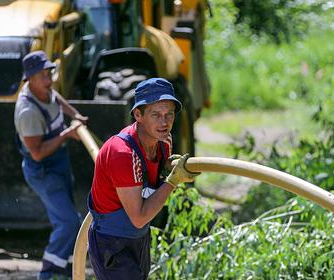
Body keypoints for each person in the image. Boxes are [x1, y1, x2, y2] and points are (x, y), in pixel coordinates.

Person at [88, 78, 199, 279]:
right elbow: (139, 217)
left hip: (139, 238)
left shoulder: (163, 143)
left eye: (169, 114)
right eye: (156, 115)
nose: (164, 123)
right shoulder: (122, 153)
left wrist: (166, 169)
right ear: (138, 114)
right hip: (112, 242)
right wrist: (173, 181)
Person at [14, 50, 88, 279]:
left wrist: (76, 114)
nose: (49, 80)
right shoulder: (28, 112)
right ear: (30, 79)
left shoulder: (45, 89)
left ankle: (65, 271)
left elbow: (57, 98)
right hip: (43, 170)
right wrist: (67, 134)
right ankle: (47, 274)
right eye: (43, 76)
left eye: (49, 73)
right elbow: (36, 154)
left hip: (59, 162)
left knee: (67, 221)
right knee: (68, 223)